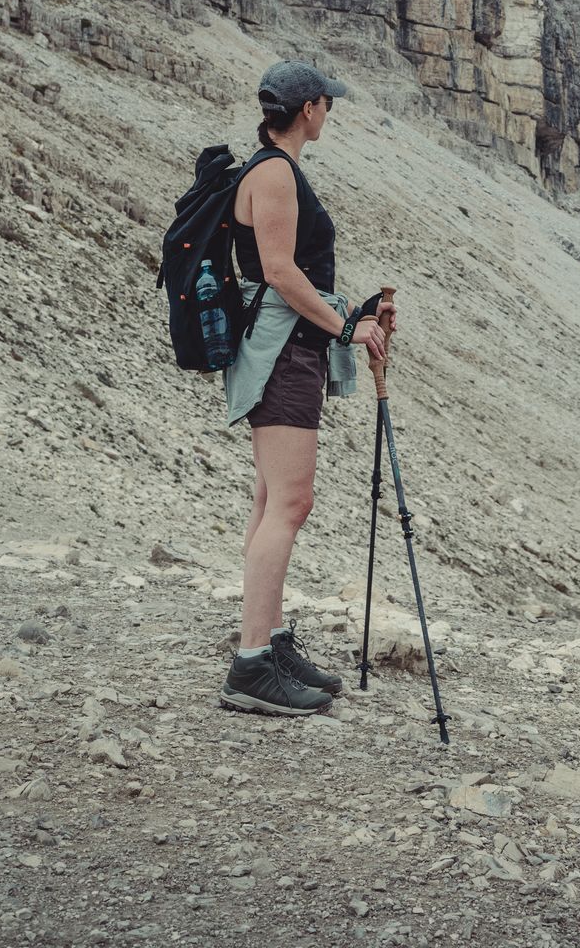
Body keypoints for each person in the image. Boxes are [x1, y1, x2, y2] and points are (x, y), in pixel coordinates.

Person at [218, 59, 394, 717]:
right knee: (291, 501)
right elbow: (281, 273)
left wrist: (352, 314)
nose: (331, 114)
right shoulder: (274, 173)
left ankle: (268, 639)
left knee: (272, 500)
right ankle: (251, 665)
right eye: (329, 105)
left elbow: (294, 274)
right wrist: (348, 327)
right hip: (283, 350)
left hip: (289, 346)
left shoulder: (272, 169)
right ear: (311, 108)